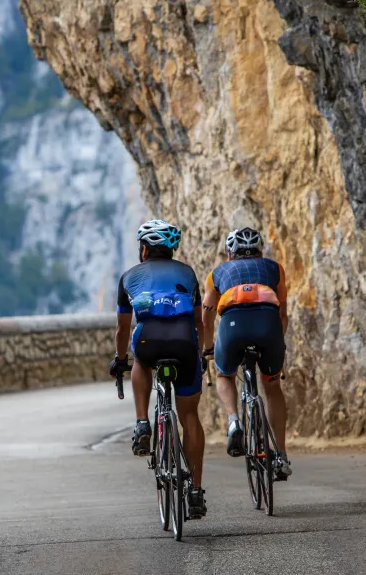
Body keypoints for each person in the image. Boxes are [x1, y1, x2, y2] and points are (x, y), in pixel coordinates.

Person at [109, 219, 208, 519]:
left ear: (144, 248)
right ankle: (195, 491)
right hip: (184, 343)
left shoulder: (128, 277)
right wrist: (201, 354)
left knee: (141, 360)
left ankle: (142, 422)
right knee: (189, 415)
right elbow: (198, 322)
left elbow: (123, 328)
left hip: (149, 340)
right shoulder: (187, 273)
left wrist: (120, 359)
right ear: (170, 249)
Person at [201, 227, 293, 480]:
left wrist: (208, 349)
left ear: (230, 254)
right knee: (272, 386)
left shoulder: (216, 274)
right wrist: (276, 344)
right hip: (268, 326)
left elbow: (206, 319)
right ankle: (281, 456)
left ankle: (233, 422)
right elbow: (282, 314)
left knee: (224, 375)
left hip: (233, 327)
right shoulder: (275, 268)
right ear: (260, 251)